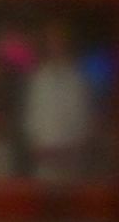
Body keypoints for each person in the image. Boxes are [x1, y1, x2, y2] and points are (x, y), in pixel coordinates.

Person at [22, 22, 94, 182]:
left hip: (72, 160)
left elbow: (84, 120)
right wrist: (36, 146)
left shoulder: (78, 78)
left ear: (66, 43)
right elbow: (31, 117)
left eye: (59, 40)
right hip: (44, 160)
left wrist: (74, 150)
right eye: (51, 41)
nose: (55, 45)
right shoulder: (38, 77)